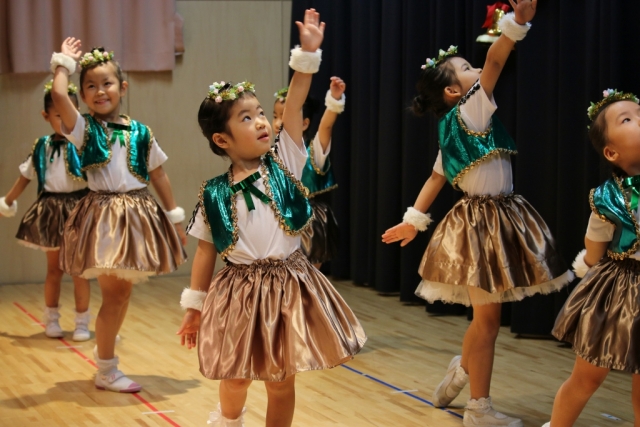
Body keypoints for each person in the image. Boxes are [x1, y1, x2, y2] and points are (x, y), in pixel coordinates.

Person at [382, 1, 571, 425]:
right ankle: (478, 409)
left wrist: (412, 221)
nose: (476, 72)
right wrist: (517, 23)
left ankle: (461, 372)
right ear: (455, 92)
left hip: (497, 219)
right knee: (487, 321)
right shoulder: (471, 108)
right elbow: (496, 58)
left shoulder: (454, 124)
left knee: (486, 318)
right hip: (481, 226)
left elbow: (435, 179)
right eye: (466, 68)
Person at [177, 9, 365, 427]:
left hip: (288, 283)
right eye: (247, 118)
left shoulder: (286, 159)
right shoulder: (213, 192)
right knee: (237, 374)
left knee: (281, 379)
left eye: (260, 112)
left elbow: (296, 100)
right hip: (239, 291)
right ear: (222, 139)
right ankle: (229, 420)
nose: (261, 121)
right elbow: (206, 252)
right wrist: (195, 306)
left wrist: (306, 57)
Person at [49, 39, 187, 392]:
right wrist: (64, 64)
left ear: (122, 88)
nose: (99, 91)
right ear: (82, 94)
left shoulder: (141, 131)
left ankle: (105, 354)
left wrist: (174, 216)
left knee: (122, 295)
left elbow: (158, 174)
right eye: (90, 86)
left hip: (138, 214)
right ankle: (106, 368)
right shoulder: (83, 129)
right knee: (114, 297)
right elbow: (60, 98)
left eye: (107, 83)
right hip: (106, 217)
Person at [542, 89, 640, 427]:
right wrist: (592, 262)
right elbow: (595, 248)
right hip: (620, 292)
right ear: (612, 151)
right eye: (628, 119)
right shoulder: (607, 198)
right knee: (587, 377)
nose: (638, 119)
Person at [0, 80, 91, 341]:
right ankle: (51, 318)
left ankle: (82, 322)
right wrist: (6, 202)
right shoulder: (42, 146)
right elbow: (24, 177)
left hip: (79, 208)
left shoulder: (83, 143)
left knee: (78, 270)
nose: (64, 120)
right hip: (51, 208)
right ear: (45, 116)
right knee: (54, 269)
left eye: (70, 113)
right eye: (58, 115)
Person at [272, 76, 346, 269]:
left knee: (307, 280)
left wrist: (334, 100)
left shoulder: (314, 152)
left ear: (304, 123)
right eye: (275, 116)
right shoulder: (270, 154)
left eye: (285, 116)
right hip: (279, 220)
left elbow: (326, 126)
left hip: (309, 223)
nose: (279, 122)